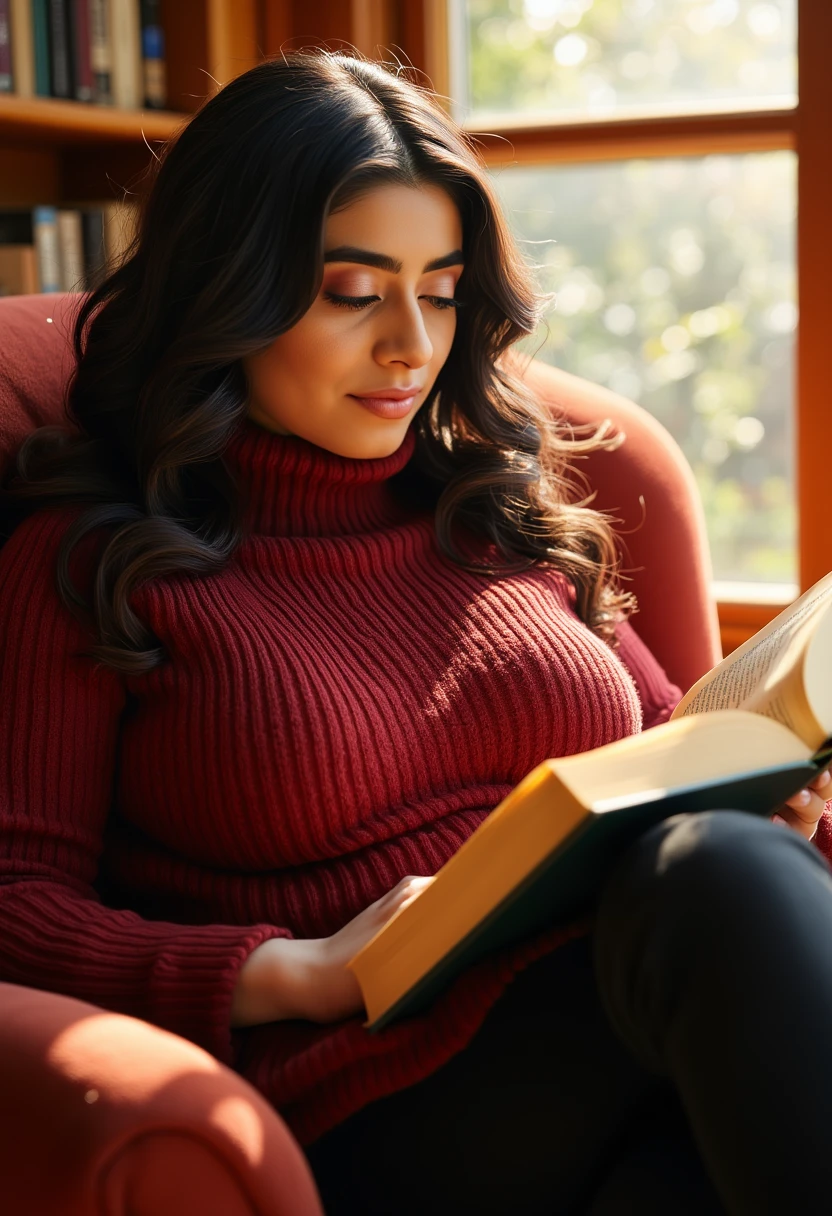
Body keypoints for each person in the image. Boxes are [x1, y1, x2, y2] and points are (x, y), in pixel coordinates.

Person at [0, 50, 830, 1216]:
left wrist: (774, 794)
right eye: (354, 291)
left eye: (440, 290)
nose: (411, 345)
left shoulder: (500, 514)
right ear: (224, 287)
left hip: (630, 1025)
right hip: (375, 1081)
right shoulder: (97, 562)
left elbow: (667, 748)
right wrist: (291, 972)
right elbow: (13, 900)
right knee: (722, 884)